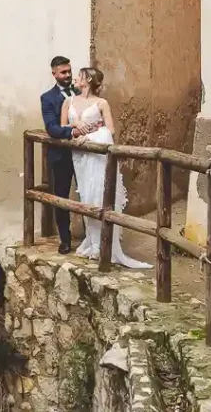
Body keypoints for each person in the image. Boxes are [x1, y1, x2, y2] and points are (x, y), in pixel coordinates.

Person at [62, 67, 151, 269]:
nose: (76, 78)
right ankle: (93, 242)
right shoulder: (69, 102)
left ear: (88, 80)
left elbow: (110, 129)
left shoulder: (102, 103)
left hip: (95, 150)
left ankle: (104, 245)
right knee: (85, 194)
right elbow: (62, 126)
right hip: (79, 154)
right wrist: (75, 128)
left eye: (80, 76)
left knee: (98, 193)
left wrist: (91, 135)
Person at [40, 56, 98, 254]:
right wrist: (72, 132)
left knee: (88, 193)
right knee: (61, 197)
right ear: (54, 74)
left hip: (84, 154)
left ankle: (91, 239)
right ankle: (65, 240)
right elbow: (52, 128)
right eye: (63, 72)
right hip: (61, 156)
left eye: (69, 71)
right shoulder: (47, 98)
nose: (67, 75)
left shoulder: (81, 91)